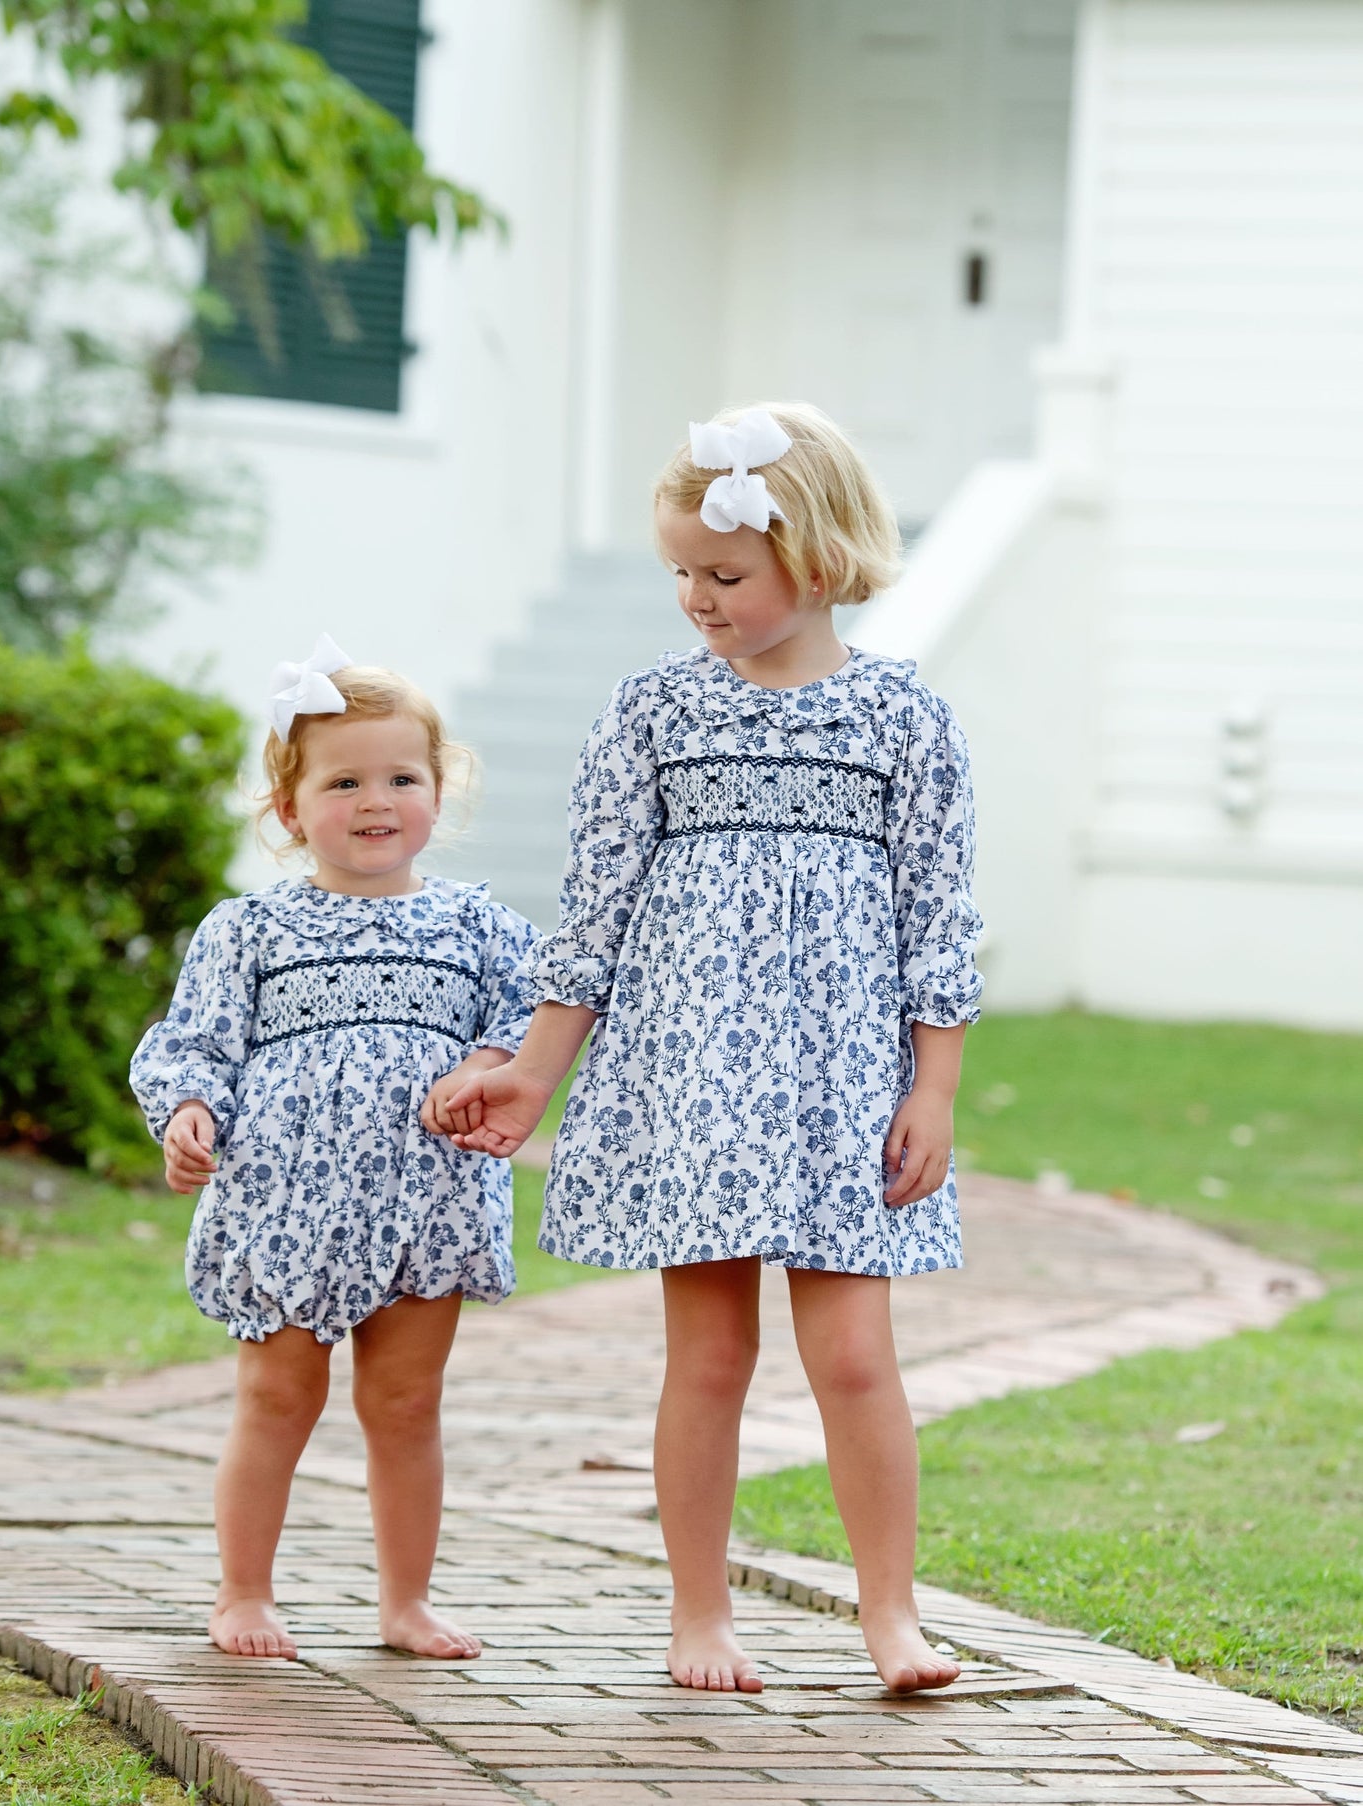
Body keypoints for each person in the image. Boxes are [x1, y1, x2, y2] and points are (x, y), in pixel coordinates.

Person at [434, 405, 982, 1696]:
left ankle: (890, 1614)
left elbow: (940, 918)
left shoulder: (903, 718)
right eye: (680, 570)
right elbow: (597, 914)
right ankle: (699, 1610)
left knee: (854, 1354)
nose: (696, 596)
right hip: (693, 1082)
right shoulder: (651, 713)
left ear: (822, 555)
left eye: (723, 573)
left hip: (845, 1087)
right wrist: (531, 1068)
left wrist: (935, 1085)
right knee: (711, 1353)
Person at [131, 639, 536, 1661]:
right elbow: (195, 1043)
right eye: (343, 780)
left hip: (424, 1200)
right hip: (283, 1202)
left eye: (402, 777)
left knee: (404, 1402)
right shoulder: (249, 930)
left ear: (438, 792)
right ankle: (243, 1591)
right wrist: (186, 1112)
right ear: (288, 808)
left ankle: (404, 1603)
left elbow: (529, 1015)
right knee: (276, 1395)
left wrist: (485, 1058)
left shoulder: (475, 922)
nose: (375, 799)